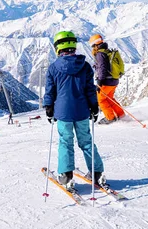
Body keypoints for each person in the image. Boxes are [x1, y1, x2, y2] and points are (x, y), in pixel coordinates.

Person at [43, 31, 106, 189]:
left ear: (57, 47)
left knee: (65, 142)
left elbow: (50, 91)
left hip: (63, 113)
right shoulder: (84, 66)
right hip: (82, 111)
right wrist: (94, 107)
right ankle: (97, 173)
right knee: (86, 142)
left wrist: (49, 108)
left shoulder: (53, 68)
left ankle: (66, 175)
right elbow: (90, 90)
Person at [89, 34, 125, 125]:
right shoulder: (107, 51)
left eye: (93, 46)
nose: (92, 48)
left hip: (106, 81)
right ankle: (121, 114)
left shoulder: (100, 54)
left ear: (95, 45)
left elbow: (102, 67)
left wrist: (100, 81)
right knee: (110, 99)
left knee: (101, 99)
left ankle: (110, 118)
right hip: (114, 80)